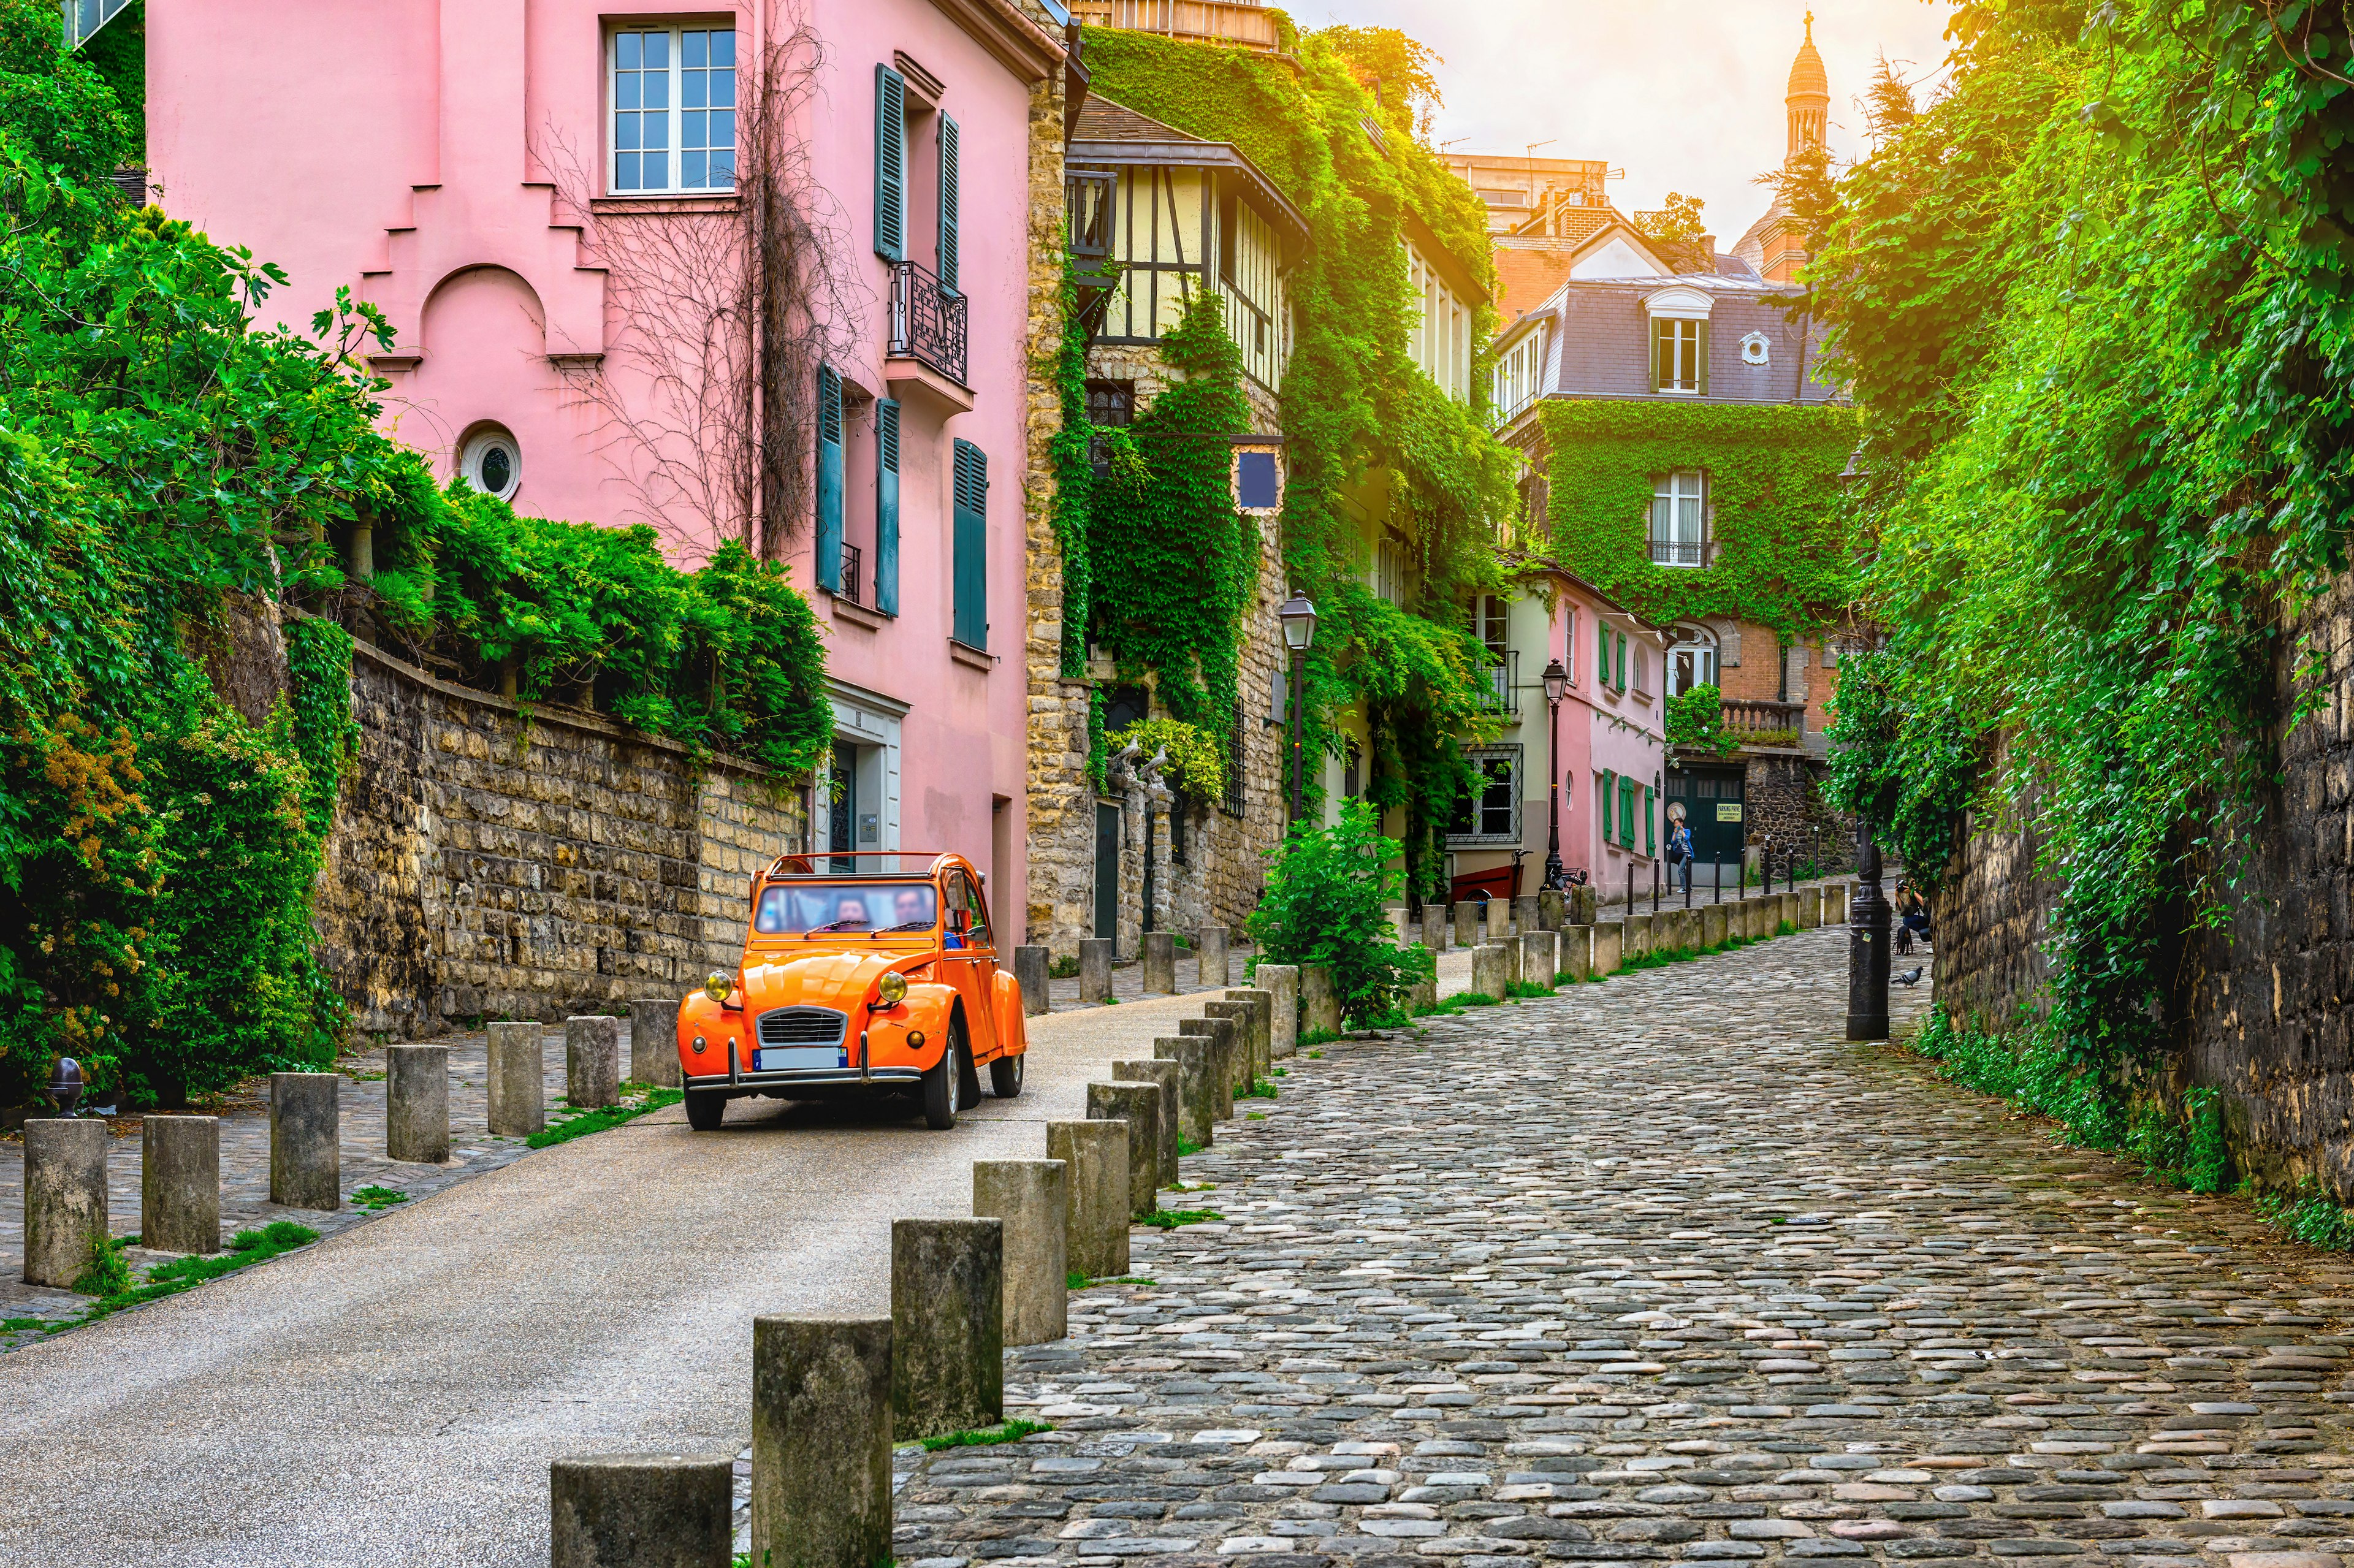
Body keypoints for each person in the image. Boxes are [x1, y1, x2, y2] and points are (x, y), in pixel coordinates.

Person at [1664, 803, 1693, 894]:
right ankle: (1689, 887)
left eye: (1677, 823)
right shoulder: (1675, 832)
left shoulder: (1687, 831)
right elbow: (1673, 842)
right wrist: (1675, 833)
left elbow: (1686, 838)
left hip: (1686, 853)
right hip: (1678, 853)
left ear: (1681, 823)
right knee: (1683, 870)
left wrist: (1681, 830)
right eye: (1675, 824)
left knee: (1680, 869)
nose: (1675, 825)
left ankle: (1683, 888)